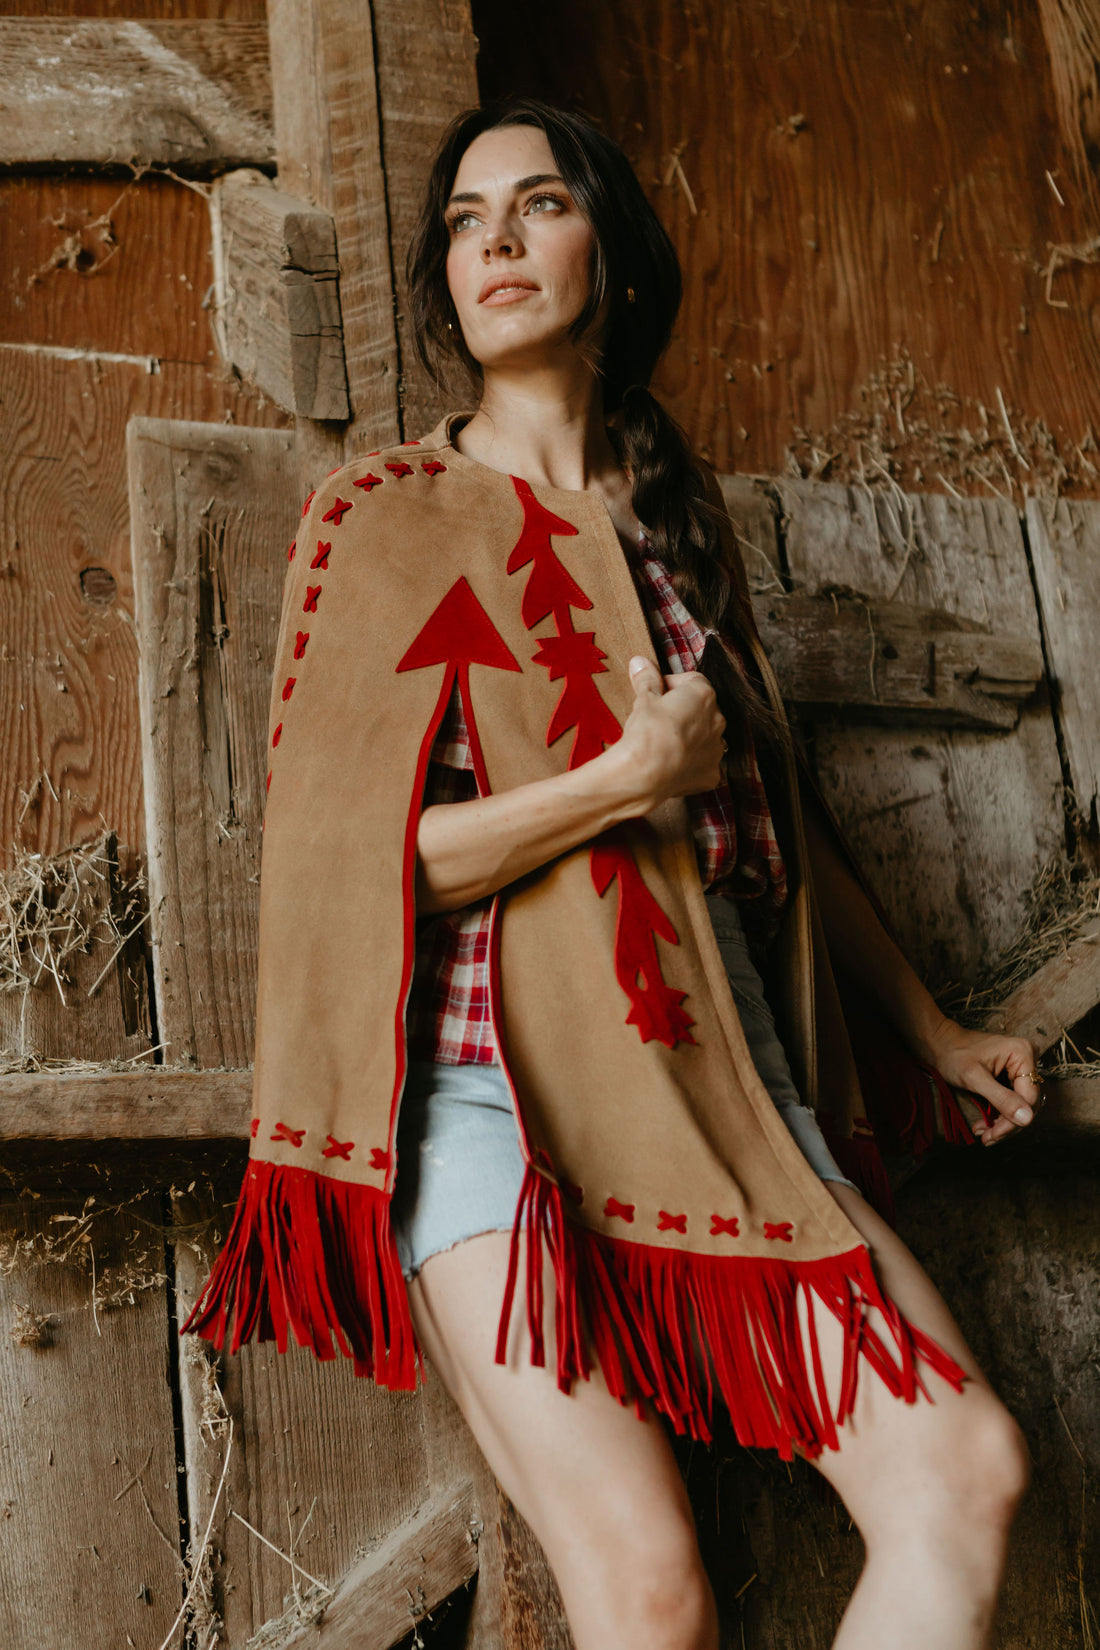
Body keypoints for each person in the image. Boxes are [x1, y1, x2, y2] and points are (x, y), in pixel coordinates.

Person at [393, 97, 1033, 1650]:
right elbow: (386, 868)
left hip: (721, 1079)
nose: (498, 242)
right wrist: (619, 781)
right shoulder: (399, 522)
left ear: (609, 252)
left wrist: (932, 1030)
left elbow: (775, 819)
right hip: (497, 1092)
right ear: (447, 282)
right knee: (651, 1599)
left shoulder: (676, 524)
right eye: (468, 221)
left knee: (961, 1468)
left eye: (538, 205)